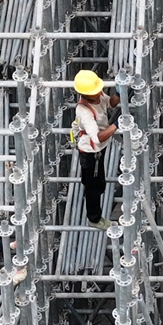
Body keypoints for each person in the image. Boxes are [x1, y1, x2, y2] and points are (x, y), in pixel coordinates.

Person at [71, 69, 120, 229]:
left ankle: (89, 185)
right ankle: (94, 218)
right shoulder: (84, 111)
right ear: (85, 94)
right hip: (91, 153)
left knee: (97, 183)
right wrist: (116, 126)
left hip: (99, 149)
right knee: (94, 187)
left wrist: (119, 93)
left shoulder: (97, 96)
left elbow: (110, 103)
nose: (100, 92)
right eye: (96, 90)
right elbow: (97, 137)